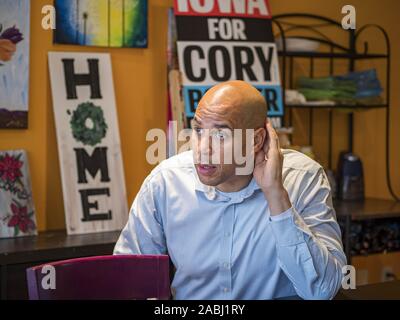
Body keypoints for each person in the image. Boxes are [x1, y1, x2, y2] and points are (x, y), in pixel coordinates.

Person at [114, 80, 347, 300]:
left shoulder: (302, 178)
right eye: (197, 130)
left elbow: (322, 290)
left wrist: (276, 195)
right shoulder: (166, 181)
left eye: (220, 134)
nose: (203, 149)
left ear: (256, 140)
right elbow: (127, 280)